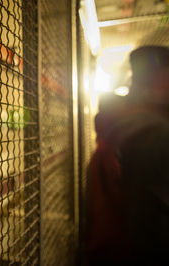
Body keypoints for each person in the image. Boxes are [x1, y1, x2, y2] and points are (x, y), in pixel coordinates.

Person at [85, 45, 169, 266]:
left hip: (109, 249)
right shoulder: (153, 133)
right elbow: (150, 228)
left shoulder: (123, 127)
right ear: (161, 79)